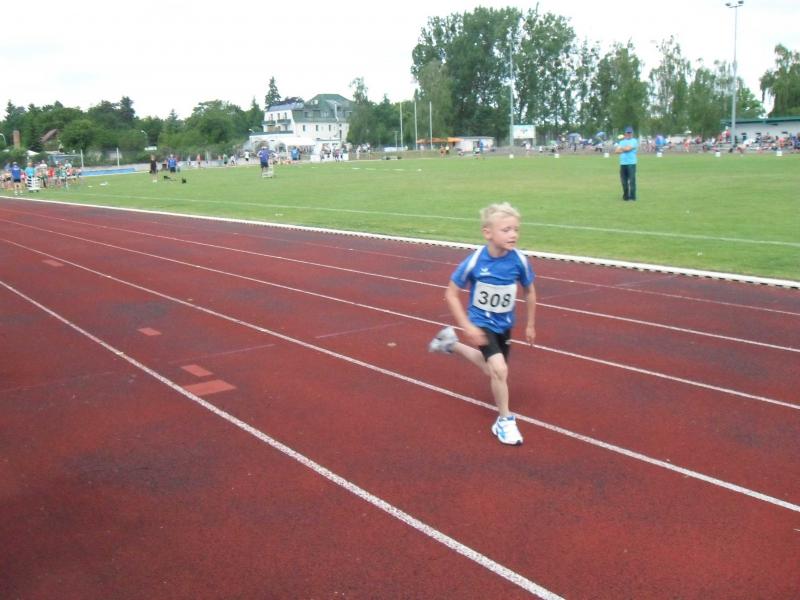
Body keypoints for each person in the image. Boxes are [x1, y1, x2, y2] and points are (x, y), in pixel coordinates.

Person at [428, 202, 537, 446]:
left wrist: (530, 325)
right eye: (506, 230)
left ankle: (450, 344)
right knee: (500, 370)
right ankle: (504, 420)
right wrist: (467, 325)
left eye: (516, 229)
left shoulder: (519, 260)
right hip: (481, 321)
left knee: (491, 369)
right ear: (488, 233)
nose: (513, 235)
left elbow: (529, 291)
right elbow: (451, 294)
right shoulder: (475, 261)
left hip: (504, 324)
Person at [615, 125, 638, 201]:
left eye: (630, 133)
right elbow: (616, 151)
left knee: (632, 181)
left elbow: (628, 149)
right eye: (627, 133)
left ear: (632, 133)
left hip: (631, 163)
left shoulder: (634, 141)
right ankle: (625, 197)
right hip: (623, 164)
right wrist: (624, 149)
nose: (629, 134)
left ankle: (632, 197)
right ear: (625, 133)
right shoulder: (622, 142)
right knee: (624, 182)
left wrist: (621, 149)